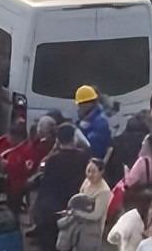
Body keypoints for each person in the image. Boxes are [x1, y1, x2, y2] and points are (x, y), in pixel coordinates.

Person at [31, 123, 92, 251]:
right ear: (74, 138)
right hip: (75, 206)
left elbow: (43, 179)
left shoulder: (52, 160)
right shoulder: (83, 157)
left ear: (58, 140)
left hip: (52, 207)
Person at [76, 85, 112, 159]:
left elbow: (95, 148)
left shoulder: (100, 121)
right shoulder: (87, 119)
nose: (79, 107)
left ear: (88, 104)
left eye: (81, 104)